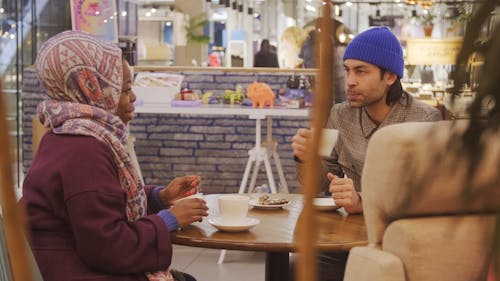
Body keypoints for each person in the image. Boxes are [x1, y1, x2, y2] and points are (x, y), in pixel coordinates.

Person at [22, 30, 209, 281]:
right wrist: (168, 220)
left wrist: (159, 197)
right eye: (124, 89)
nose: (133, 97)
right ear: (93, 90)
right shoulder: (83, 149)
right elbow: (107, 246)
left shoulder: (67, 135)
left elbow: (100, 204)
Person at [291, 26, 442, 281]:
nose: (350, 81)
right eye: (347, 70)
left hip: (396, 241)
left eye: (361, 71)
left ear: (390, 76)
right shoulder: (340, 115)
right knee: (298, 267)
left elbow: (430, 195)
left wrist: (361, 201)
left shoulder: (425, 120)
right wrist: (306, 159)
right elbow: (317, 185)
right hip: (345, 238)